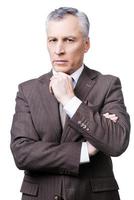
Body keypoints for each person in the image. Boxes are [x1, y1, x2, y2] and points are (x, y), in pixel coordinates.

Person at [10, 7, 130, 200]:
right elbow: (22, 153)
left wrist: (70, 100)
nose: (59, 50)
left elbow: (116, 143)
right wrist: (84, 150)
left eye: (69, 40)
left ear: (86, 44)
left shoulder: (107, 85)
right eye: (53, 40)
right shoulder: (28, 90)